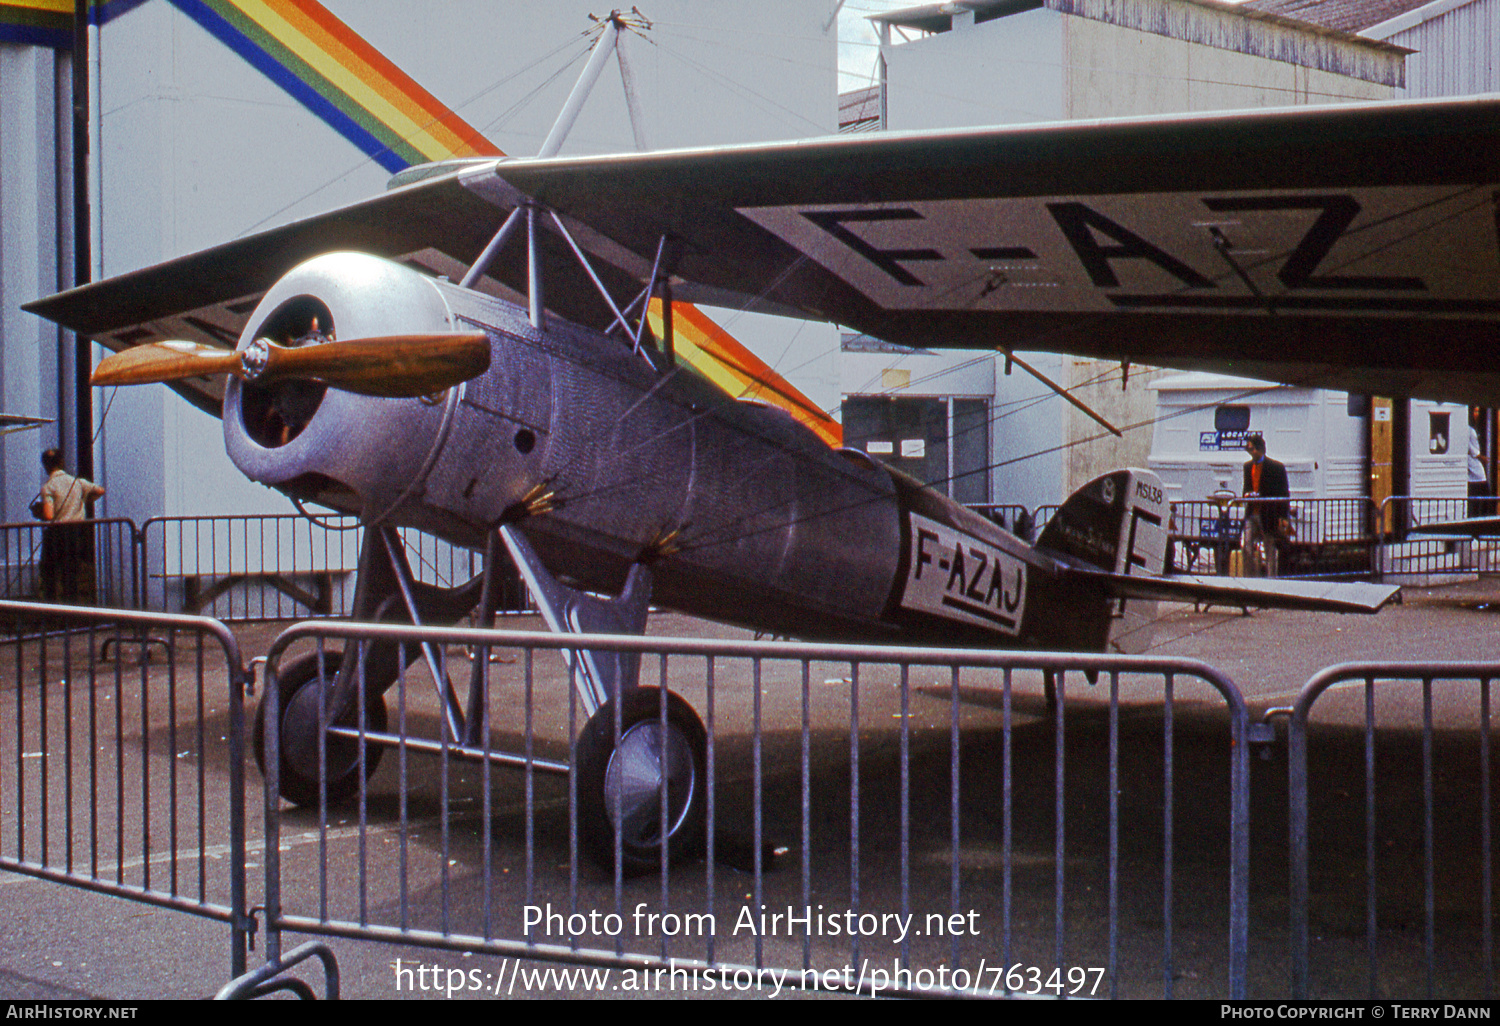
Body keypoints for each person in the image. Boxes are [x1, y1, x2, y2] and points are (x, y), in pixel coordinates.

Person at [38, 448, 105, 601]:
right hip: (76, 532)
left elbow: (49, 515)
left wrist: (38, 512)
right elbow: (100, 490)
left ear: (45, 465)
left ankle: (53, 612)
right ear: (62, 462)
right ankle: (73, 612)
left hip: (57, 534)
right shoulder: (78, 482)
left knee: (51, 574)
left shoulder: (48, 487)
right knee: (72, 575)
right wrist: (83, 501)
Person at [1241, 434, 1289, 578]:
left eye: (1253, 449)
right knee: (1246, 545)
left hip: (1268, 513)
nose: (1251, 453)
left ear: (1260, 449)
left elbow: (1284, 493)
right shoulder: (1247, 467)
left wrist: (1283, 516)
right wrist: (1247, 495)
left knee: (1270, 549)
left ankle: (1271, 579)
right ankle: (1251, 578)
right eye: (1249, 450)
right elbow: (1246, 487)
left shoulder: (1276, 467)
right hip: (1252, 512)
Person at [1469, 415, 1489, 518]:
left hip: (1473, 464)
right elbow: (1472, 450)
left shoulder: (1472, 430)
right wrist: (1482, 457)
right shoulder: (1470, 430)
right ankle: (1481, 515)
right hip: (1474, 463)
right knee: (1483, 489)